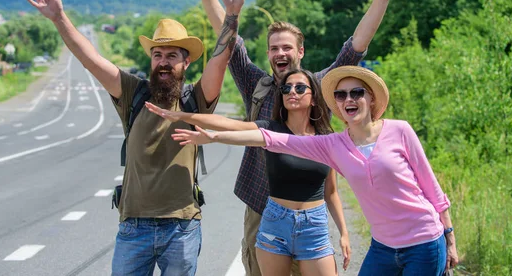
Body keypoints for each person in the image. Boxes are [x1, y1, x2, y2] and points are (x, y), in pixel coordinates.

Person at [186, 0, 407, 275]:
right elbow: (229, 40)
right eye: (274, 48)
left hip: (309, 211)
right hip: (262, 208)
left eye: (287, 47)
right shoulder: (255, 84)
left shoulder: (320, 86)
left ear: (300, 51)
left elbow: (356, 46)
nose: (280, 53)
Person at [25, 0, 249, 276]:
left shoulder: (195, 99)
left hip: (181, 226)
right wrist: (59, 18)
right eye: (158, 55)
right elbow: (88, 57)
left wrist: (232, 14)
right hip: (134, 227)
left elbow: (222, 57)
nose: (163, 62)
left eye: (172, 55)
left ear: (186, 62)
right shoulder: (132, 92)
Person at [173, 66, 460, 276]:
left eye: (357, 92)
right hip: (382, 246)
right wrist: (208, 133)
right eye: (341, 94)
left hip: (423, 239)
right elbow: (267, 138)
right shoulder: (333, 144)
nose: (349, 99)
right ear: (335, 102)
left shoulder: (399, 131)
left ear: (371, 99)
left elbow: (431, 186)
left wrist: (449, 236)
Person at [146, 68, 350, 276]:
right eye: (286, 88)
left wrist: (343, 232)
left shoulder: (325, 138)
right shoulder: (271, 130)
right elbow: (232, 125)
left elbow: (331, 192)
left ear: (314, 98)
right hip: (276, 224)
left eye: (299, 88)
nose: (292, 92)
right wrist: (183, 116)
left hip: (313, 225)